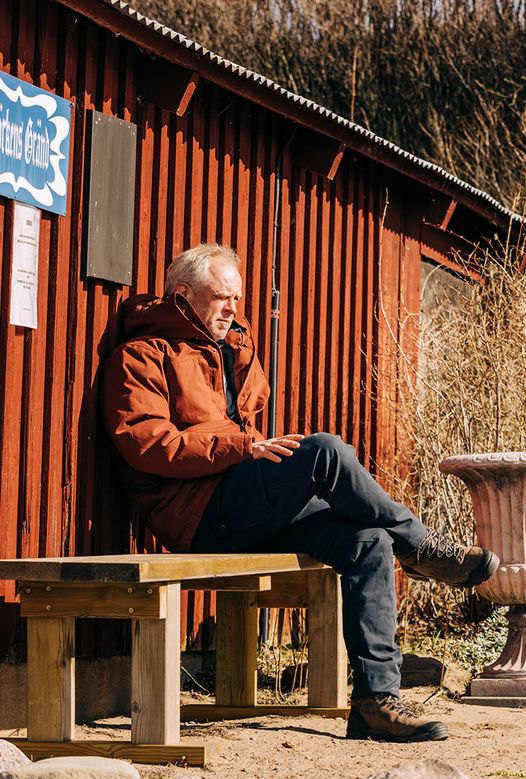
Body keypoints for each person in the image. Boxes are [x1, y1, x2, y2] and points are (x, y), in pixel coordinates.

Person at [101, 242, 499, 743]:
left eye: (237, 300)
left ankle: (377, 702)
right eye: (221, 297)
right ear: (183, 295)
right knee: (325, 451)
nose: (232, 309)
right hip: (198, 514)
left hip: (241, 505)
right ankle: (419, 547)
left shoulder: (223, 350)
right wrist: (241, 447)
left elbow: (251, 403)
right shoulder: (140, 356)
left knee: (369, 541)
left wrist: (237, 369)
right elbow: (149, 444)